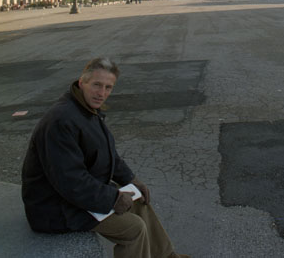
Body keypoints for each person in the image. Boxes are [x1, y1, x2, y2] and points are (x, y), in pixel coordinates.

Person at [21, 58, 189, 258]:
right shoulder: (61, 120)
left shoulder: (85, 109)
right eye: (97, 85)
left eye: (108, 87)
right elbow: (70, 180)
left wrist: (131, 179)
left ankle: (167, 256)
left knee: (139, 201)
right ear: (82, 82)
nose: (102, 93)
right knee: (133, 229)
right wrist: (112, 198)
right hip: (54, 208)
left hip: (75, 198)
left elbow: (106, 153)